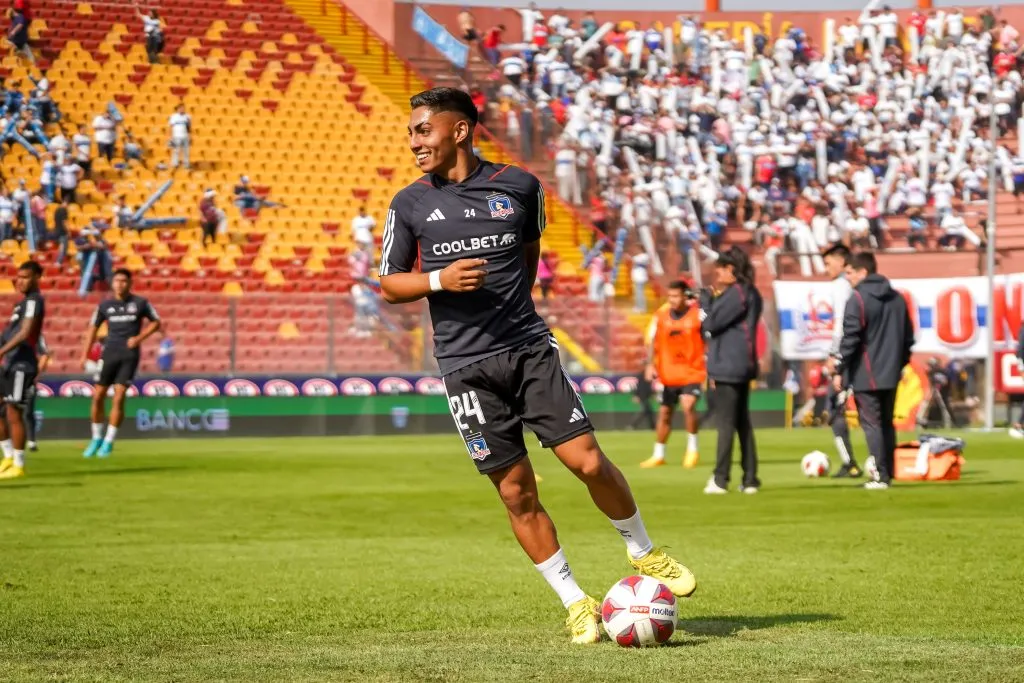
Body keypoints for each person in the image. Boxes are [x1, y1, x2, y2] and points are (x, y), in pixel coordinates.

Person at [378, 87, 695, 645]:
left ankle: (644, 551)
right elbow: (389, 282)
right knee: (516, 492)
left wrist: (510, 314)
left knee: (589, 462)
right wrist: (437, 280)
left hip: (528, 350)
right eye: (411, 132)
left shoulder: (520, 186)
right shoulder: (408, 204)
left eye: (423, 130)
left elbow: (527, 259)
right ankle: (576, 603)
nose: (414, 142)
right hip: (464, 369)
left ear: (459, 130)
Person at [834, 252, 915, 490]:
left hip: (864, 373)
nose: (847, 278)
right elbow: (908, 339)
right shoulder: (897, 299)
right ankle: (888, 471)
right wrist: (899, 364)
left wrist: (840, 368)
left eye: (850, 273)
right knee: (887, 423)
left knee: (872, 424)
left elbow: (850, 339)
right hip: (891, 373)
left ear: (863, 272)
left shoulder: (858, 299)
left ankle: (880, 475)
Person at [699, 247, 763, 495]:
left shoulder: (737, 293)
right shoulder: (745, 292)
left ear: (733, 270)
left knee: (726, 423)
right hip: (739, 363)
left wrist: (706, 306)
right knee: (741, 423)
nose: (717, 272)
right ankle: (750, 478)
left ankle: (720, 478)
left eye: (722, 268)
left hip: (729, 364)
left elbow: (711, 325)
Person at [79, 269, 161, 458]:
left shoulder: (140, 303)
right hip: (108, 354)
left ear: (130, 283)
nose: (120, 284)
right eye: (117, 281)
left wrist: (139, 338)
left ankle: (108, 441)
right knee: (98, 395)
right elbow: (93, 328)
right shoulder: (105, 305)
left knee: (119, 396)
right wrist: (85, 354)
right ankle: (96, 438)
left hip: (129, 356)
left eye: (124, 281)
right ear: (112, 283)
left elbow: (156, 322)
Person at [640, 281, 706, 469]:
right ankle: (658, 454)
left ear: (685, 296)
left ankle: (692, 449)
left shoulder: (697, 316)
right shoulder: (660, 316)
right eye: (670, 296)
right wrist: (650, 364)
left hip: (692, 371)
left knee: (688, 405)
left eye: (676, 296)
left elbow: (708, 338)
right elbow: (652, 340)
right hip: (668, 373)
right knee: (665, 413)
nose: (672, 300)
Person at [0, 261, 45, 480]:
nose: (20, 281)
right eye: (19, 276)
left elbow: (25, 332)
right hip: (9, 362)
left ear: (37, 277)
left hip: (22, 364)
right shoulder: (22, 304)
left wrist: (2, 351)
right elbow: (9, 333)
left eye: (26, 277)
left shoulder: (35, 301)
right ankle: (7, 457)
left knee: (13, 412)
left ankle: (19, 464)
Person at [822, 244, 863, 478]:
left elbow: (841, 324)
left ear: (841, 262)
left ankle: (850, 463)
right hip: (858, 356)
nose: (826, 268)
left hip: (846, 358)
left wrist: (834, 356)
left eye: (828, 263)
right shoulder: (851, 287)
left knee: (835, 409)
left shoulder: (840, 286)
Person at [24, 332, 49, 451]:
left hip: (29, 377)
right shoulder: (11, 332)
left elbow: (44, 354)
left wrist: (36, 375)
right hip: (11, 377)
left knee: (28, 411)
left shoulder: (36, 335)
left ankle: (31, 441)